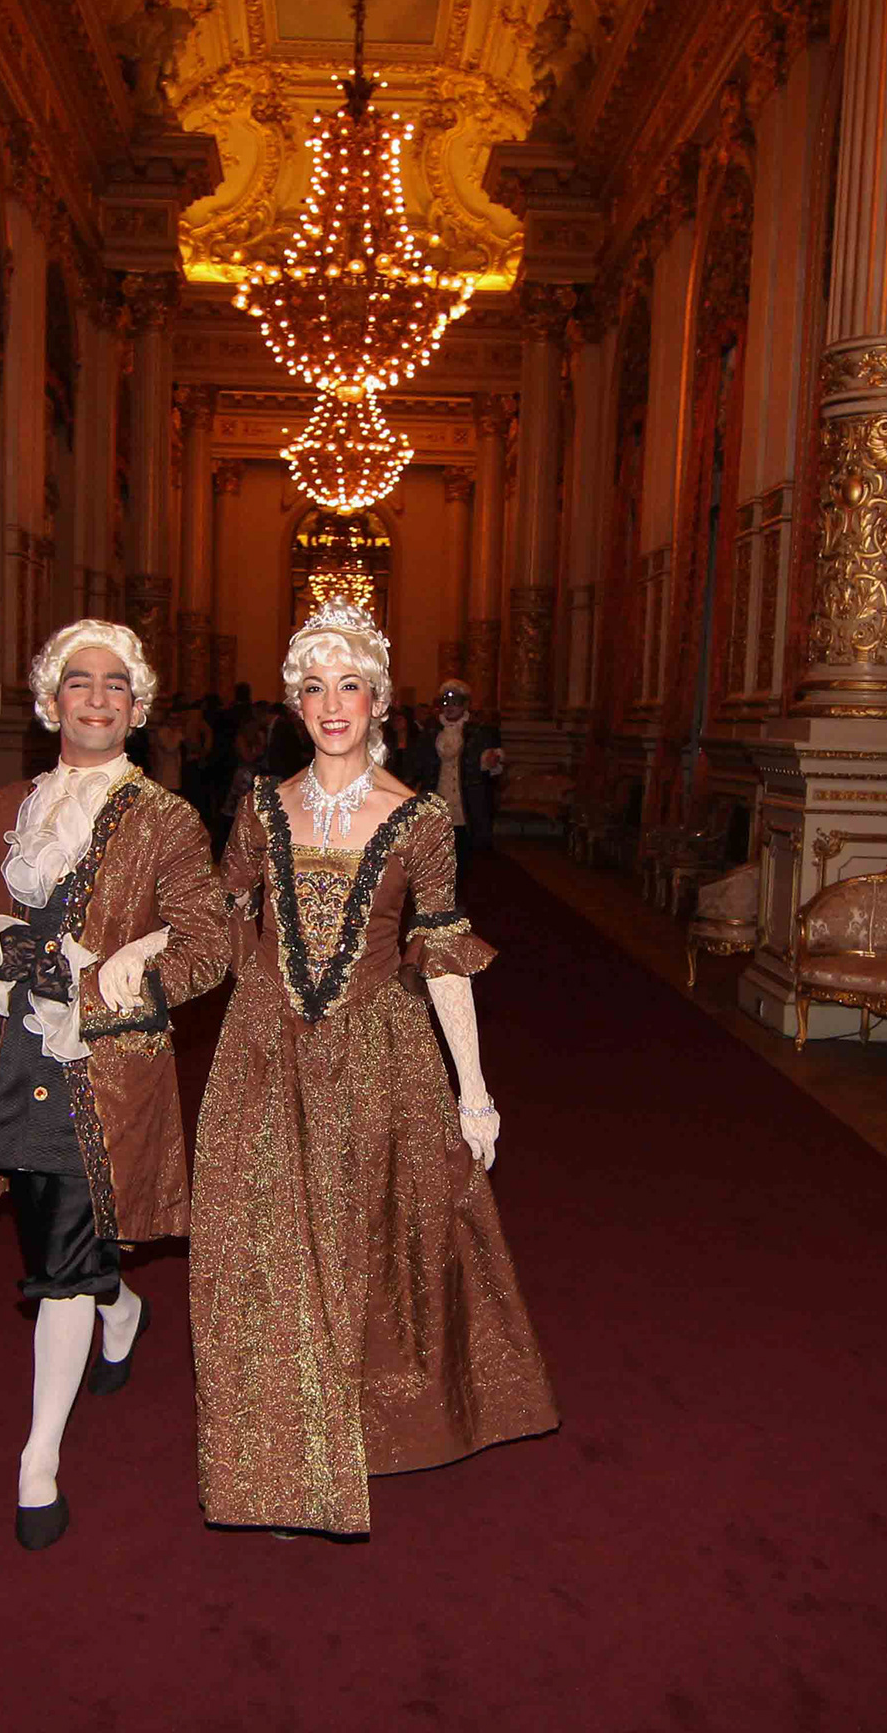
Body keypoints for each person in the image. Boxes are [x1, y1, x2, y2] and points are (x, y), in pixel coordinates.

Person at [189, 600, 558, 1536]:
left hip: (377, 1059)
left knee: (363, 1247)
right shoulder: (260, 808)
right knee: (269, 1250)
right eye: (314, 688)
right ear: (294, 705)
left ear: (379, 700)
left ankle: (354, 1428)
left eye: (349, 685)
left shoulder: (421, 820)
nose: (331, 704)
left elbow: (443, 956)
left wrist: (475, 1092)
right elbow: (219, 916)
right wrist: (143, 970)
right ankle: (285, 1458)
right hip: (268, 1057)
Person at [0, 620, 229, 1552]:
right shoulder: (3, 807)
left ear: (137, 709)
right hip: (16, 1061)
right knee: (49, 1226)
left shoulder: (168, 820)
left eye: (115, 685)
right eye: (79, 682)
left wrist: (104, 982)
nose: (97, 698)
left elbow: (209, 947)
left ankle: (38, 1463)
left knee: (60, 1256)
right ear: (50, 701)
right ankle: (123, 1304)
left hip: (105, 1068)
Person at [409, 677, 504, 870]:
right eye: (446, 702)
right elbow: (419, 764)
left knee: (465, 854)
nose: (450, 707)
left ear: (465, 705)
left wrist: (490, 761)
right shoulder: (431, 731)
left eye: (455, 702)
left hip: (468, 802)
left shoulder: (478, 732)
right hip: (437, 798)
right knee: (437, 854)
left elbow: (490, 765)